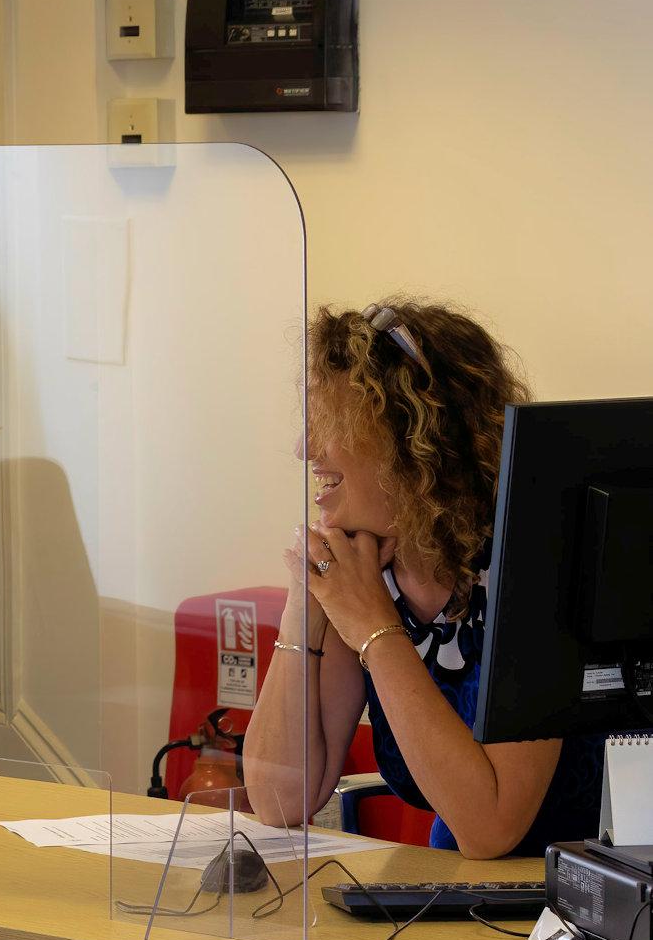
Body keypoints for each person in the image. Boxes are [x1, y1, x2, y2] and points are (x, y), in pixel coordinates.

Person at [245, 299, 601, 859]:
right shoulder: (364, 573)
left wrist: (375, 630)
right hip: (463, 881)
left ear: (414, 439)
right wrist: (304, 599)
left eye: (331, 425)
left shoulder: (531, 568)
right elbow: (279, 797)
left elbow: (491, 828)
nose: (305, 450)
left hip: (588, 892)